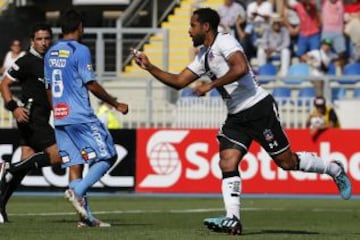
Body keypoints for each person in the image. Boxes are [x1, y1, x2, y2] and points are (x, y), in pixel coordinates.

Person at [131, 8, 352, 235]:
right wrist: (150, 67)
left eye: (192, 26)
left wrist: (211, 85)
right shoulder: (203, 56)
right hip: (236, 117)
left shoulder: (225, 42)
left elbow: (241, 67)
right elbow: (178, 81)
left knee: (286, 162)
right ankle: (233, 219)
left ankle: (333, 169)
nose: (189, 31)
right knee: (227, 162)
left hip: (258, 109)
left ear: (205, 27)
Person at [44, 9, 128, 227]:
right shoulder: (79, 50)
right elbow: (90, 83)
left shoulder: (51, 53)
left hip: (61, 116)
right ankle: (77, 191)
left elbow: (49, 87)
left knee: (76, 163)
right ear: (79, 26)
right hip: (80, 115)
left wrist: (56, 111)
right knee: (108, 155)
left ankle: (85, 218)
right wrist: (115, 103)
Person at [0, 23, 62, 223]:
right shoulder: (26, 61)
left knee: (24, 166)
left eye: (47, 38)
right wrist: (13, 107)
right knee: (59, 155)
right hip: (32, 118)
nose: (44, 42)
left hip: (41, 118)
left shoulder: (51, 61)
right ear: (32, 41)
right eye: (39, 39)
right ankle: (8, 168)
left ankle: (0, 205)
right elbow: (4, 84)